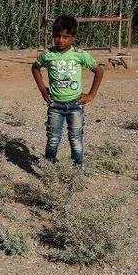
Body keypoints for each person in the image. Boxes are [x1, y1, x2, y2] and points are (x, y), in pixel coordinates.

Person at [31, 14, 104, 166]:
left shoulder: (79, 54)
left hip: (75, 104)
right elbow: (35, 68)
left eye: (66, 37)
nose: (61, 40)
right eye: (57, 36)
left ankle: (76, 171)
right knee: (53, 139)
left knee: (76, 139)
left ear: (73, 38)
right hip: (55, 105)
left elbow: (98, 71)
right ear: (52, 36)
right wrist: (43, 90)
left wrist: (91, 94)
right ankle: (49, 170)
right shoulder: (48, 54)